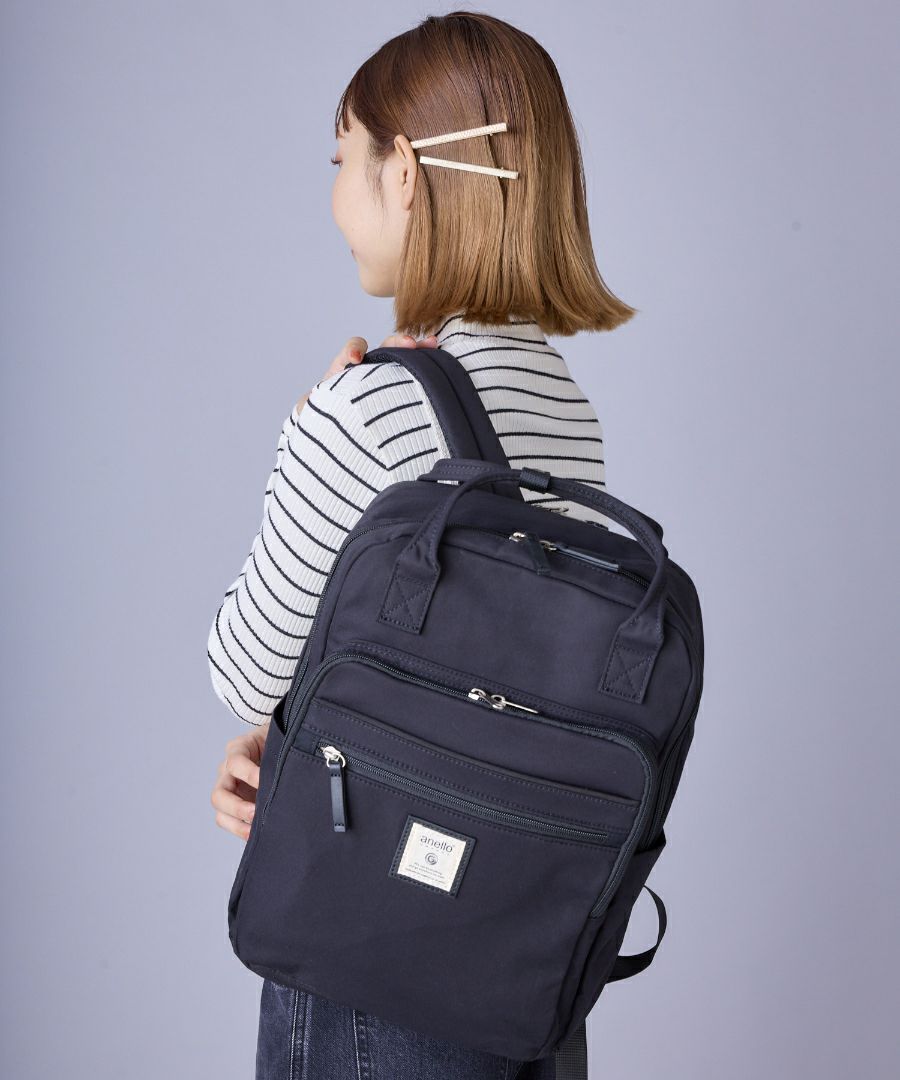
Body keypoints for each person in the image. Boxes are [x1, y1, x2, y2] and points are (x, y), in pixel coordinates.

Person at [207, 11, 636, 1078]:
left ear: (404, 173)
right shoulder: (565, 403)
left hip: (377, 965)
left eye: (341, 160)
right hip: (521, 956)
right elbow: (502, 685)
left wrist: (306, 433)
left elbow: (244, 670)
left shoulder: (367, 408)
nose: (335, 199)